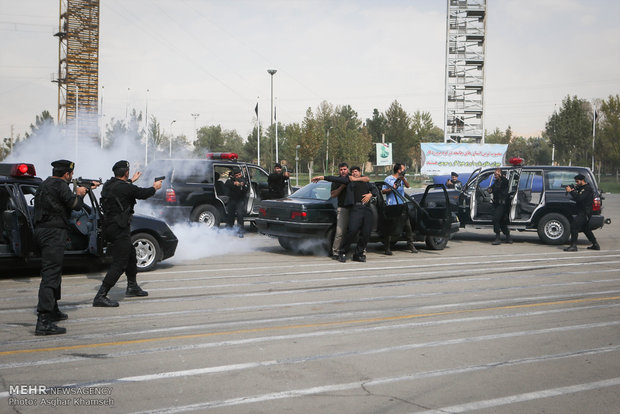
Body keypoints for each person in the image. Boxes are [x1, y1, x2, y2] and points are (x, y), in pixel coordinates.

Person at [93, 160, 162, 307]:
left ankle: (132, 286)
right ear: (126, 172)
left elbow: (123, 188)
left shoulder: (108, 184)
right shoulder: (126, 188)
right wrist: (155, 187)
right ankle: (101, 295)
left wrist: (131, 180)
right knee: (120, 262)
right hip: (119, 228)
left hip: (110, 226)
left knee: (131, 255)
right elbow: (142, 194)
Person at [34, 160, 91, 335]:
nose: (71, 177)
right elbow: (75, 206)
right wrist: (80, 194)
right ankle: (43, 321)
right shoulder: (60, 185)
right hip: (53, 233)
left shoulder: (45, 184)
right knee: (51, 274)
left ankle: (53, 309)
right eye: (71, 174)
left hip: (43, 231)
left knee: (53, 271)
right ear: (66, 174)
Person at [314, 166, 378, 263]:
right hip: (356, 209)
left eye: (356, 171)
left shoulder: (365, 181)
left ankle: (358, 254)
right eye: (352, 172)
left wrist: (370, 194)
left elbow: (374, 188)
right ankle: (342, 252)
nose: (354, 173)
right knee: (352, 231)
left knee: (366, 233)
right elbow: (335, 178)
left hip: (367, 209)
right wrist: (322, 177)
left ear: (360, 172)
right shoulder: (349, 181)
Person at [382, 163, 417, 255]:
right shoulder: (388, 179)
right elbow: (383, 190)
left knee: (407, 225)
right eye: (403, 169)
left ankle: (410, 244)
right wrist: (391, 188)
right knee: (390, 226)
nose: (404, 171)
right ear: (398, 170)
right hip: (392, 205)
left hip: (402, 204)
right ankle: (387, 247)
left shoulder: (402, 179)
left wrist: (403, 179)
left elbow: (408, 186)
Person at [564, 174, 600, 251]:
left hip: (585, 212)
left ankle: (573, 246)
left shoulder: (587, 189)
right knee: (586, 229)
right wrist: (573, 188)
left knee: (574, 226)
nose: (576, 183)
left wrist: (572, 191)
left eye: (577, 181)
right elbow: (578, 194)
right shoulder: (582, 188)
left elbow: (580, 198)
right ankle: (595, 244)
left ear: (582, 180)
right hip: (582, 211)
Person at [488, 168, 512, 245]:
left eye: (497, 173)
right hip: (496, 204)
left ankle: (498, 238)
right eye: (495, 174)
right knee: (501, 222)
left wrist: (500, 176)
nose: (495, 175)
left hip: (503, 204)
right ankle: (508, 237)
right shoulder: (496, 182)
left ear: (501, 174)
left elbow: (500, 189)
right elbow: (491, 188)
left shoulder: (505, 181)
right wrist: (490, 189)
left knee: (495, 219)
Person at [225, 167, 249, 237]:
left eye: (239, 174)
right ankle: (229, 230)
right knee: (230, 216)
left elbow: (246, 185)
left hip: (240, 200)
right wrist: (234, 183)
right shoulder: (231, 180)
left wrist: (242, 184)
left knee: (240, 215)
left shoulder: (243, 179)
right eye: (237, 175)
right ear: (234, 176)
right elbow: (226, 184)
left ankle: (240, 231)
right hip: (232, 199)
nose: (238, 176)